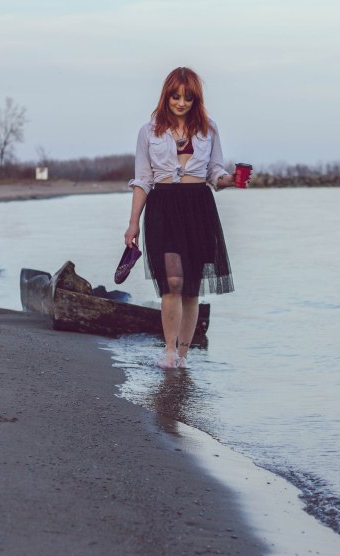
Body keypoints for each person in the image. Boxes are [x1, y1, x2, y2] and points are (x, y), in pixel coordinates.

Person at [124, 67, 242, 369]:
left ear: (195, 99)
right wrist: (133, 222)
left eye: (188, 98)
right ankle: (169, 353)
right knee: (173, 281)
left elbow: (215, 172)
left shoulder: (209, 129)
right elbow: (142, 180)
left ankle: (184, 356)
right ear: (166, 95)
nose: (181, 103)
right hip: (163, 206)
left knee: (191, 286)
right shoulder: (148, 131)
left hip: (198, 206)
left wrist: (230, 180)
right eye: (176, 96)